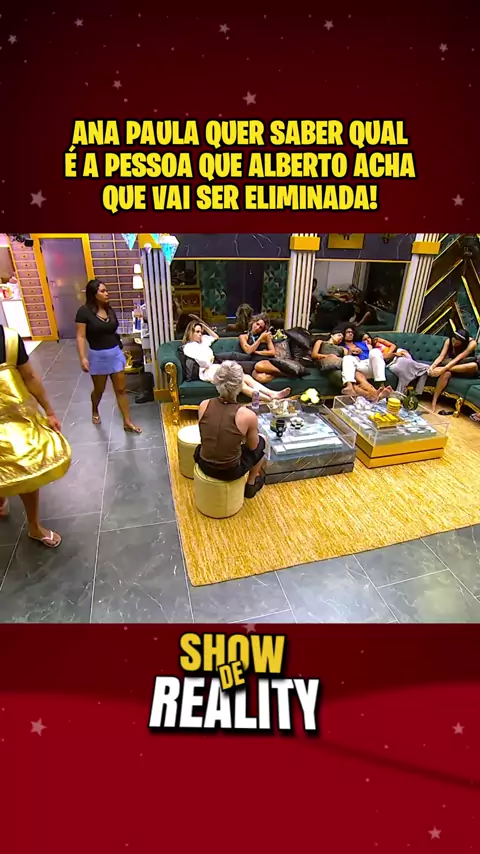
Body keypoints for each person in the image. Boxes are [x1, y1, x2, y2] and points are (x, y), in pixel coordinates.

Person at [0, 325, 71, 548]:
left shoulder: (9, 339)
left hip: (17, 421)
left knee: (26, 468)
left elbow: (30, 376)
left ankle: (34, 526)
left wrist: (49, 411)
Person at [75, 279, 141, 433]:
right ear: (94, 294)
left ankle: (127, 421)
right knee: (99, 389)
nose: (107, 294)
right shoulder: (83, 312)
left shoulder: (108, 309)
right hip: (98, 356)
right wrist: (83, 357)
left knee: (121, 389)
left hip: (115, 354)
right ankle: (95, 409)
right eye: (102, 291)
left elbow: (112, 329)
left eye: (106, 290)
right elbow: (80, 336)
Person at [194, 361, 266, 498]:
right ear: (240, 385)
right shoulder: (247, 415)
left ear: (216, 382)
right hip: (230, 472)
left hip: (204, 463)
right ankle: (251, 484)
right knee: (262, 443)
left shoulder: (203, 405)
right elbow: (253, 447)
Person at [182, 319, 291, 402]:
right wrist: (210, 359)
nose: (200, 334)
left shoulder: (203, 342)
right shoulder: (189, 347)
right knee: (239, 383)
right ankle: (268, 399)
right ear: (190, 333)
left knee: (246, 377)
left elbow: (215, 336)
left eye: (201, 332)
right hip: (208, 372)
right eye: (197, 332)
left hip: (215, 367)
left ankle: (272, 393)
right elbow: (204, 363)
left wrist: (203, 325)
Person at [312, 331, 390, 401]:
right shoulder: (321, 342)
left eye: (342, 338)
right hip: (329, 366)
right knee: (350, 380)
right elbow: (314, 355)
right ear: (332, 335)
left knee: (358, 376)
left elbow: (347, 359)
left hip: (341, 365)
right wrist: (327, 356)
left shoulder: (342, 348)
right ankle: (373, 395)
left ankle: (375, 394)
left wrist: (351, 351)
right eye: (339, 335)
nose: (340, 338)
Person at [428, 328, 479, 413]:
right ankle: (434, 402)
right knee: (446, 374)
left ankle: (443, 369)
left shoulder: (472, 343)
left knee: (474, 366)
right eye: (453, 341)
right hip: (452, 366)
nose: (454, 344)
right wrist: (432, 367)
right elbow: (441, 356)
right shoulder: (449, 341)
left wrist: (442, 369)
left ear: (463, 343)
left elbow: (458, 358)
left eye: (457, 343)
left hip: (465, 368)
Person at [341, 325, 388, 391]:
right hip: (358, 366)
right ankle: (349, 386)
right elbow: (346, 360)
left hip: (370, 364)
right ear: (344, 334)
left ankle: (382, 385)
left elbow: (373, 354)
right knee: (347, 358)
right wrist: (351, 351)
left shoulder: (362, 343)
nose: (351, 334)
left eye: (352, 332)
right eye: (348, 332)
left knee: (375, 351)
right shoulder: (342, 347)